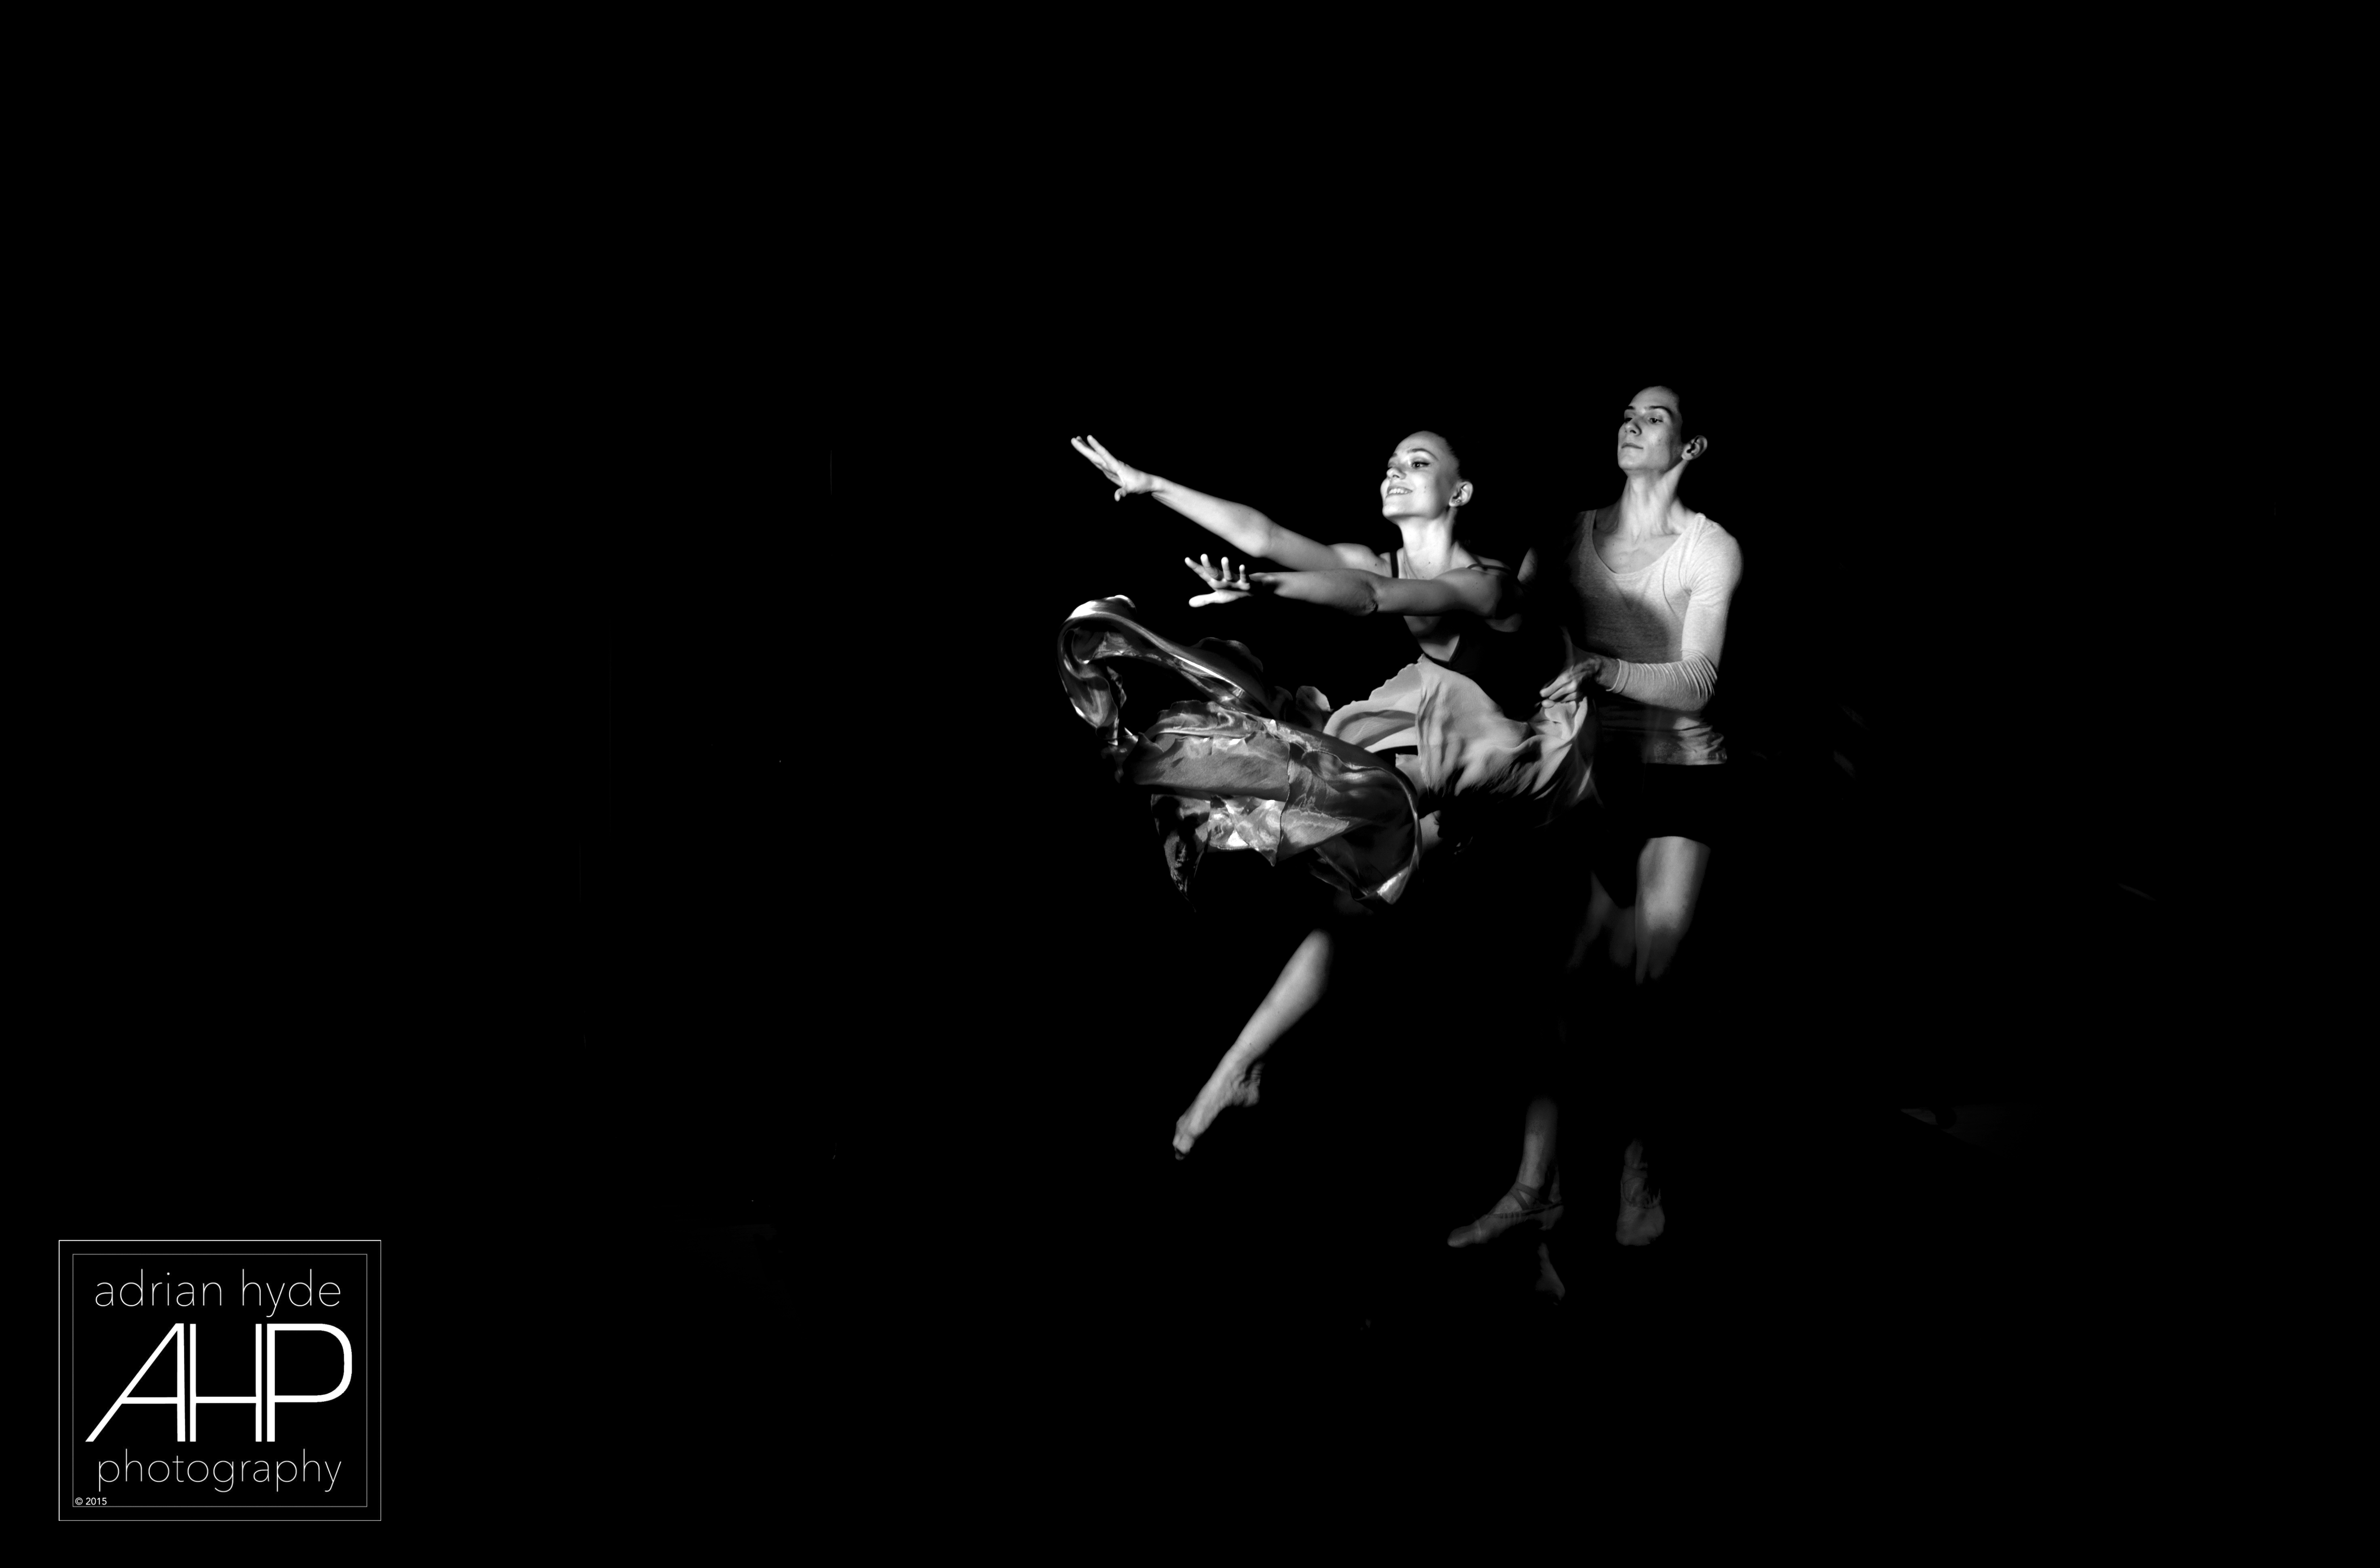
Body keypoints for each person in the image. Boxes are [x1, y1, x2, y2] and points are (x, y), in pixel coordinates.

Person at [1065, 431, 1589, 1181]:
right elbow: (1265, 534)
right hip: (1449, 746)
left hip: (1532, 753)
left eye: (1418, 464)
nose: (1395, 472)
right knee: (1355, 906)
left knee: (1551, 963)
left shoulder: (1488, 585)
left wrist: (1262, 589)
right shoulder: (1378, 559)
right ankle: (1238, 1071)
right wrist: (1154, 485)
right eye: (1391, 462)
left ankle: (1553, 1171)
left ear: (1461, 492)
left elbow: (1375, 600)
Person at [1529, 384, 1743, 1245]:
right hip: (1592, 772)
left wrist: (1601, 669)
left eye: (1655, 417)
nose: (1632, 423)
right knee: (1570, 982)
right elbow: (1506, 618)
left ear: (1690, 448)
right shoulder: (1570, 537)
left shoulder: (1708, 548)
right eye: (1627, 412)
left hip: (1683, 770)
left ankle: (1639, 1168)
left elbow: (1697, 682)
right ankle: (1537, 1189)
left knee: (1650, 978)